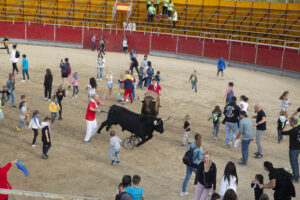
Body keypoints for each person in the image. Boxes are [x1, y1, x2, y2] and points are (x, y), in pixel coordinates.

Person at [281, 117, 300, 182]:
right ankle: (296, 175)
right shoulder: (298, 127)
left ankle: (295, 177)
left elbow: (282, 132)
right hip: (298, 147)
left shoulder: (293, 130)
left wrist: (286, 125)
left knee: (293, 163)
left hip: (293, 149)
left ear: (292, 122)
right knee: (295, 162)